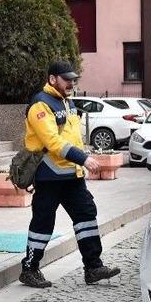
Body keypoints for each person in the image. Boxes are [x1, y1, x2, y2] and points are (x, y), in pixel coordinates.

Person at [19, 61, 121, 288]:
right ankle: (29, 269)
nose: (71, 83)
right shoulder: (40, 105)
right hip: (49, 175)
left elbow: (73, 137)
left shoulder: (67, 103)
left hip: (72, 175)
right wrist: (83, 159)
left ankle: (93, 267)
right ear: (52, 79)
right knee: (43, 222)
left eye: (74, 79)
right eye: (67, 79)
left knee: (86, 218)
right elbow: (52, 142)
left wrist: (81, 160)